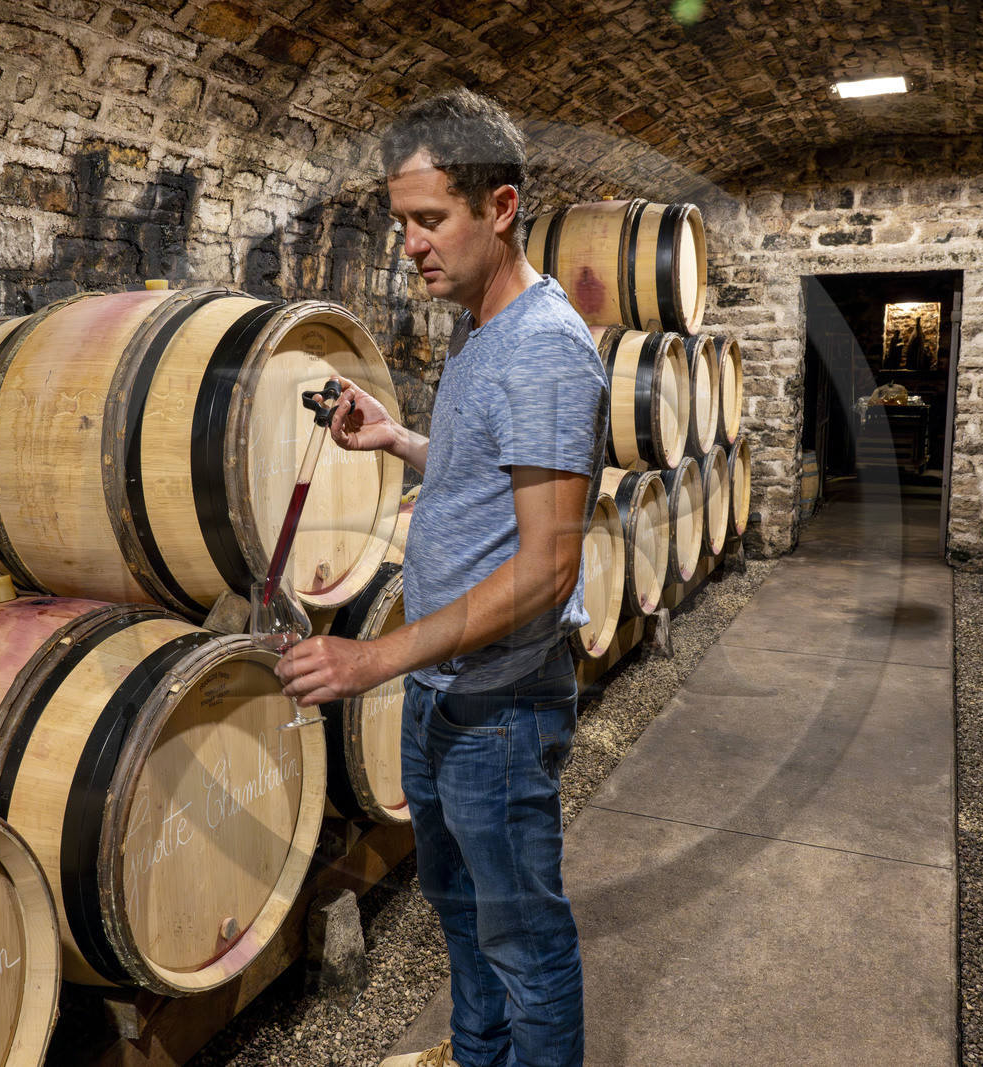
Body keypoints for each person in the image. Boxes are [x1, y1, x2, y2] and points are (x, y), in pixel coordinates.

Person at [273, 88, 607, 1067]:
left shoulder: (545, 348)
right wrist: (395, 437)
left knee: (523, 945)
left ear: (499, 207)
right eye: (401, 223)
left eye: (430, 220)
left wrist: (373, 654)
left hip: (499, 706)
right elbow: (485, 476)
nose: (410, 245)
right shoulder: (480, 329)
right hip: (446, 693)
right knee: (462, 922)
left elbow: (547, 568)